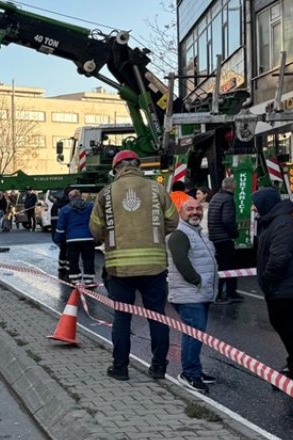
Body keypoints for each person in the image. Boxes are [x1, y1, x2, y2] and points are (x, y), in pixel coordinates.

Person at [90, 150, 179, 382]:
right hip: (154, 266)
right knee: (157, 317)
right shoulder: (156, 189)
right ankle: (159, 367)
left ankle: (120, 368)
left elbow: (96, 230)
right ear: (138, 166)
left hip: (120, 268)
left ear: (116, 168)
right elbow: (173, 220)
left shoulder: (106, 193)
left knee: (122, 318)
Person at [253, 187, 293, 383]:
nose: (254, 208)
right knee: (282, 324)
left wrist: (268, 277)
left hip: (287, 288)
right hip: (281, 287)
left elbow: (279, 258)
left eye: (256, 204)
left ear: (265, 204)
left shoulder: (282, 224)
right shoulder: (274, 222)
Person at [167, 198, 219, 392]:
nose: (195, 212)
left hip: (199, 293)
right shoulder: (180, 234)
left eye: (198, 208)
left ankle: (195, 369)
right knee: (193, 334)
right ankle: (189, 374)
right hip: (189, 294)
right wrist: (196, 280)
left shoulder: (198, 233)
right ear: (181, 213)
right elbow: (181, 261)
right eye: (190, 209)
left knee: (196, 334)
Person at [206, 178, 242, 304]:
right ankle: (227, 294)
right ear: (233, 187)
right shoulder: (228, 199)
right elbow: (227, 220)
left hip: (215, 237)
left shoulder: (216, 197)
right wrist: (234, 233)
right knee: (230, 266)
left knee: (221, 266)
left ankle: (220, 292)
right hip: (224, 237)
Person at [53, 189, 97, 286]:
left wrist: (57, 239)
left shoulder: (65, 209)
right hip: (88, 237)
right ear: (80, 196)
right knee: (88, 259)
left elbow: (61, 227)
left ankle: (75, 280)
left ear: (70, 198)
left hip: (72, 239)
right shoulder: (90, 207)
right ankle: (89, 280)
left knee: (73, 259)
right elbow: (96, 221)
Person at [50, 192, 72, 280]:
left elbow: (53, 222)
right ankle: (67, 269)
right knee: (70, 252)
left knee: (62, 251)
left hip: (59, 233)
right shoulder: (69, 206)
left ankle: (61, 268)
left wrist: (55, 236)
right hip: (69, 233)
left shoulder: (55, 206)